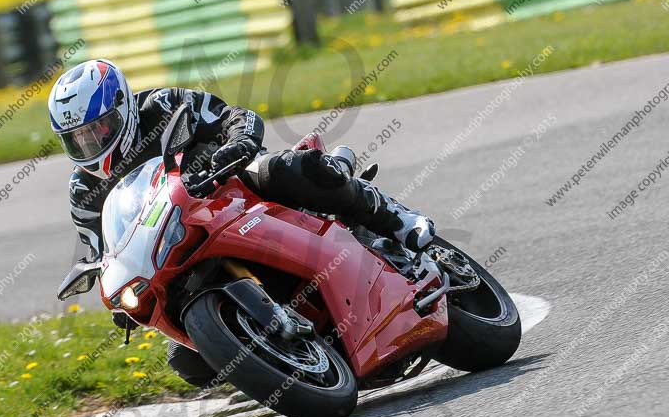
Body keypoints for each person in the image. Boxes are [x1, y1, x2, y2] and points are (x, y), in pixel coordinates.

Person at [49, 59, 435, 267]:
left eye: (98, 129)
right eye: (77, 139)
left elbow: (235, 115)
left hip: (230, 187)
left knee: (288, 169)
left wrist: (239, 143)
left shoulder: (164, 105)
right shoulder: (83, 192)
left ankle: (392, 217)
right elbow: (100, 254)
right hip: (179, 238)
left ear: (122, 108)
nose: (90, 143)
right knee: (185, 361)